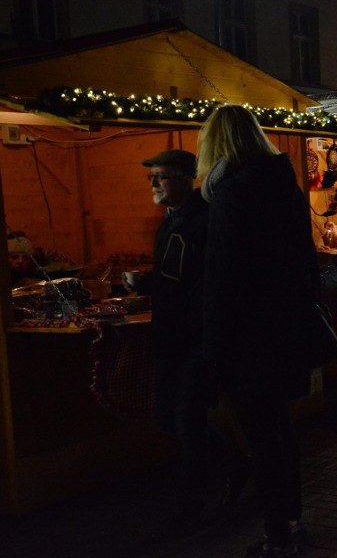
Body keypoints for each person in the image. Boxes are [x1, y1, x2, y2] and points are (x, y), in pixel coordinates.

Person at [198, 104, 317, 558]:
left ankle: (277, 536)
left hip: (248, 338)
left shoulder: (230, 195)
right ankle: (290, 520)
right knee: (281, 432)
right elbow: (306, 262)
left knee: (262, 437)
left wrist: (214, 351)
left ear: (215, 145)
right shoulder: (281, 186)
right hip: (285, 330)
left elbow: (222, 280)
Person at [140, 149, 215, 539]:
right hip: (170, 338)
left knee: (187, 421)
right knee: (169, 417)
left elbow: (206, 285)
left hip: (195, 341)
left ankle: (192, 507)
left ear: (187, 178)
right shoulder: (169, 221)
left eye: (162, 176)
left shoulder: (203, 221)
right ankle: (236, 465)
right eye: (152, 176)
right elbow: (175, 277)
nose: (154, 183)